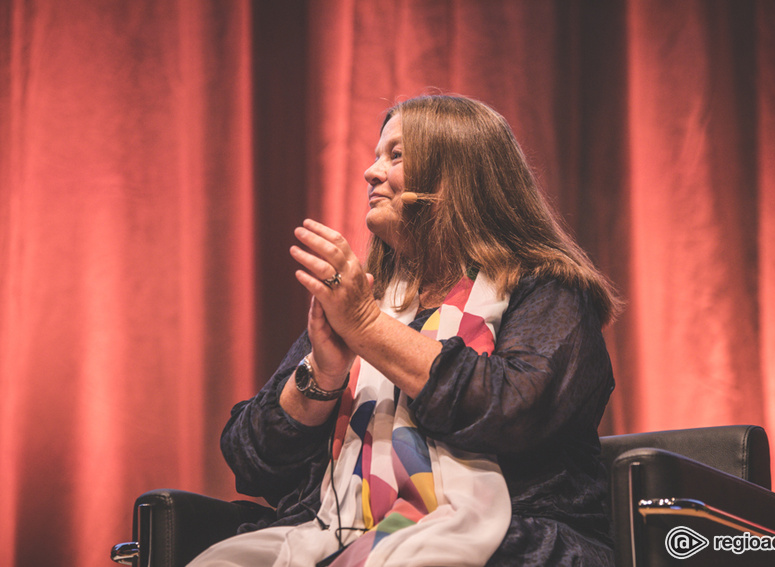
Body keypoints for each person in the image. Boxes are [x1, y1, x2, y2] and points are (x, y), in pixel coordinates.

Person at [189, 94, 622, 567]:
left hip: (513, 537)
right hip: (337, 531)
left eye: (396, 156)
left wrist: (368, 328)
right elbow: (251, 462)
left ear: (457, 178)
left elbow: (509, 411)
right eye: (376, 156)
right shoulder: (367, 299)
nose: (371, 173)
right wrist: (323, 375)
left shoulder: (548, 291)